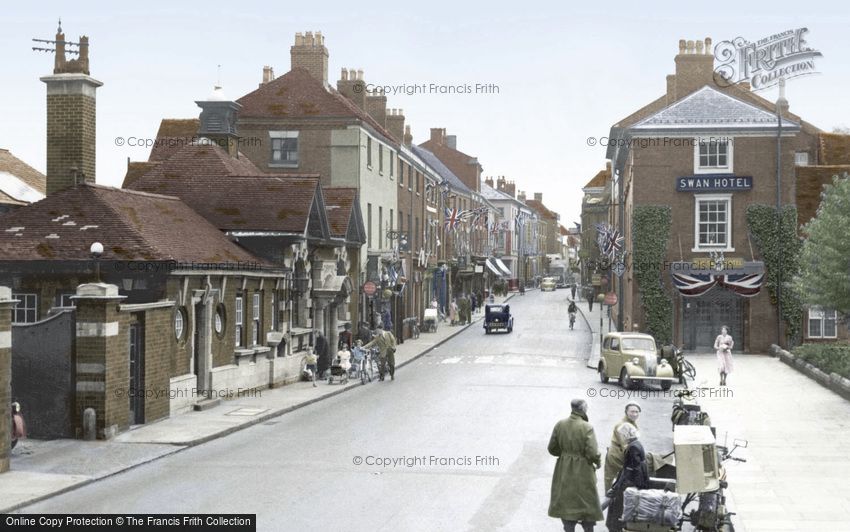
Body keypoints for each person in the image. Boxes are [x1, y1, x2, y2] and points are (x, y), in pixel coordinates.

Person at [548, 399, 604, 532]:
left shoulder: (560, 424)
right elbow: (592, 452)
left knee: (567, 500)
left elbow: (552, 449)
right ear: (583, 409)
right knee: (587, 500)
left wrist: (565, 455)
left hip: (564, 468)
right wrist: (598, 461)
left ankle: (569, 527)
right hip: (583, 469)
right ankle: (588, 528)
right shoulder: (587, 427)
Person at [605, 424, 649, 532]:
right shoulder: (637, 444)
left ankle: (617, 528)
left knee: (618, 508)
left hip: (631, 483)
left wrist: (617, 487)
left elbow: (629, 470)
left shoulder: (632, 447)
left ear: (626, 434)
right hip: (637, 480)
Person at [603, 402, 641, 492]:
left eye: (637, 412)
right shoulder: (623, 425)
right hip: (618, 454)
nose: (635, 414)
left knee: (610, 478)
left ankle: (610, 499)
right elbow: (625, 445)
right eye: (632, 412)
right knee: (620, 477)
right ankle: (611, 500)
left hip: (616, 451)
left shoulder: (630, 423)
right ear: (626, 412)